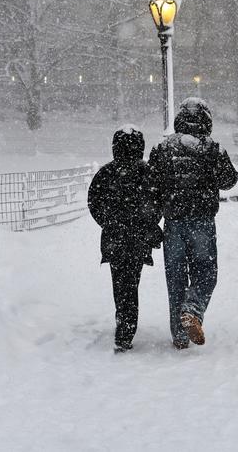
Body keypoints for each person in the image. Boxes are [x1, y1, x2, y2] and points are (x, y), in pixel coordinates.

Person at [148, 98, 238, 349]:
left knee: (175, 278)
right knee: (206, 273)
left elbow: (152, 187)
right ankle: (192, 309)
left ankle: (179, 335)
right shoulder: (212, 149)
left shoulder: (164, 148)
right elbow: (229, 180)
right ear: (206, 121)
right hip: (202, 221)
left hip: (173, 222)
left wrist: (153, 220)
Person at [87, 125, 163, 353]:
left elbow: (94, 203)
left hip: (114, 238)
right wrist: (147, 223)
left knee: (120, 284)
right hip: (138, 239)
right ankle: (127, 328)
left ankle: (124, 325)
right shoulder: (147, 172)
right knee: (132, 282)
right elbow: (158, 202)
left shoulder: (106, 173)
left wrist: (109, 222)